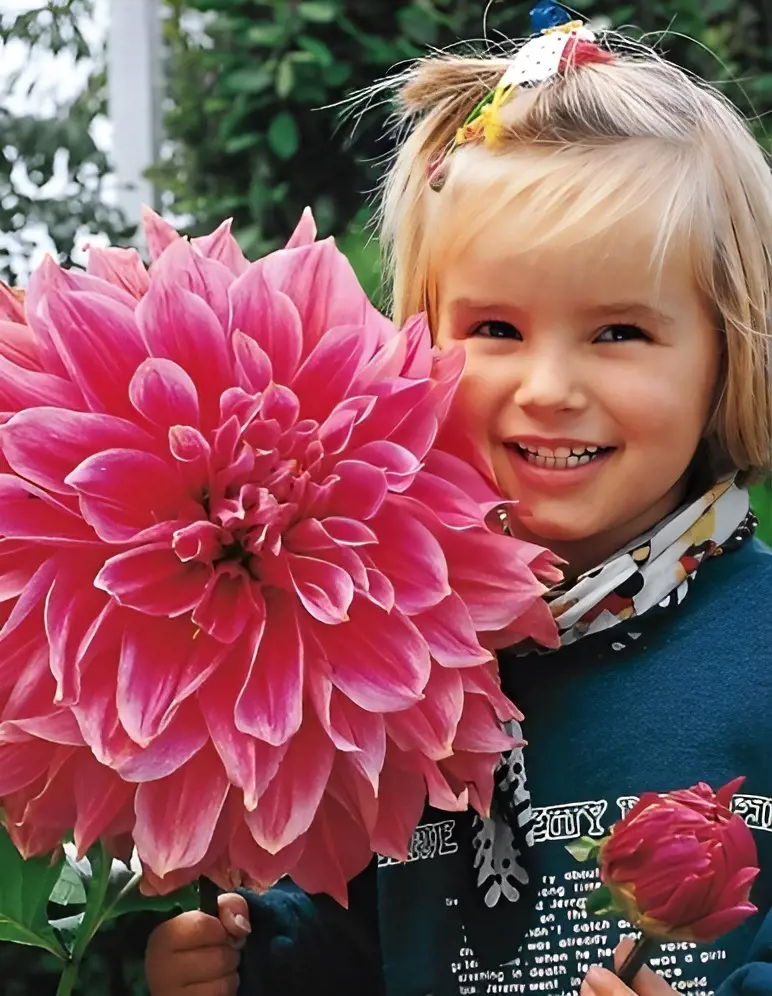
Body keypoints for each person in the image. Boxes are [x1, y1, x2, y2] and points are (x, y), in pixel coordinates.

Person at [145, 5, 772, 995]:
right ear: (416, 345)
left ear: (727, 352)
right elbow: (375, 920)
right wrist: (254, 951)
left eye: (618, 332)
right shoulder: (394, 646)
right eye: (493, 327)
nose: (549, 386)